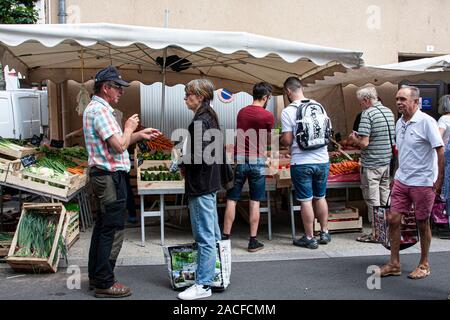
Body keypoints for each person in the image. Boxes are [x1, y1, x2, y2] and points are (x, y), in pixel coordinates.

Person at [83, 65, 161, 298]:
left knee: (103, 227)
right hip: (109, 177)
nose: (121, 91)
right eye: (118, 87)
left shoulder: (96, 109)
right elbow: (119, 145)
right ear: (106, 88)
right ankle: (105, 283)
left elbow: (117, 142)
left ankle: (97, 276)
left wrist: (138, 135)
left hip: (103, 175)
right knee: (113, 229)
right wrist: (129, 128)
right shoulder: (101, 111)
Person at [377, 85, 444, 279]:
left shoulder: (427, 122)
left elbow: (440, 152)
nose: (398, 102)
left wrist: (438, 181)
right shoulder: (400, 123)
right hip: (402, 180)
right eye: (397, 99)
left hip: (423, 182)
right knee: (393, 219)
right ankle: (394, 263)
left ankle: (424, 264)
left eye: (403, 99)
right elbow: (402, 151)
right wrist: (395, 175)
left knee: (422, 223)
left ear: (416, 102)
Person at [177, 79, 222, 300]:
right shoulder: (210, 116)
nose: (185, 97)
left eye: (188, 94)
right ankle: (216, 276)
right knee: (212, 234)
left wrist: (181, 161)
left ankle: (203, 285)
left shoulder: (200, 121)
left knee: (204, 236)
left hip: (201, 184)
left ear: (200, 96)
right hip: (210, 182)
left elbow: (200, 156)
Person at [222, 82, 275, 252]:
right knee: (254, 202)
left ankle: (225, 238)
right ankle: (253, 241)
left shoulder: (242, 112)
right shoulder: (268, 116)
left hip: (240, 160)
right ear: (266, 97)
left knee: (232, 199)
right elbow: (267, 139)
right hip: (257, 162)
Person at [280, 76, 331, 249]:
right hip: (323, 159)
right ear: (301, 88)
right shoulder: (319, 106)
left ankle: (309, 237)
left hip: (302, 162)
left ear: (288, 91)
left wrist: (281, 138)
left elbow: (287, 140)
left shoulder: (288, 111)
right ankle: (324, 231)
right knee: (320, 197)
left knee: (306, 201)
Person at [347, 87, 395, 243]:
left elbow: (364, 143)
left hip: (372, 163)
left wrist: (354, 139)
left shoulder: (367, 114)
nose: (361, 106)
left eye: (361, 102)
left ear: (366, 100)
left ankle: (376, 233)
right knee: (385, 199)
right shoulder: (388, 111)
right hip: (386, 162)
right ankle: (386, 230)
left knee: (372, 200)